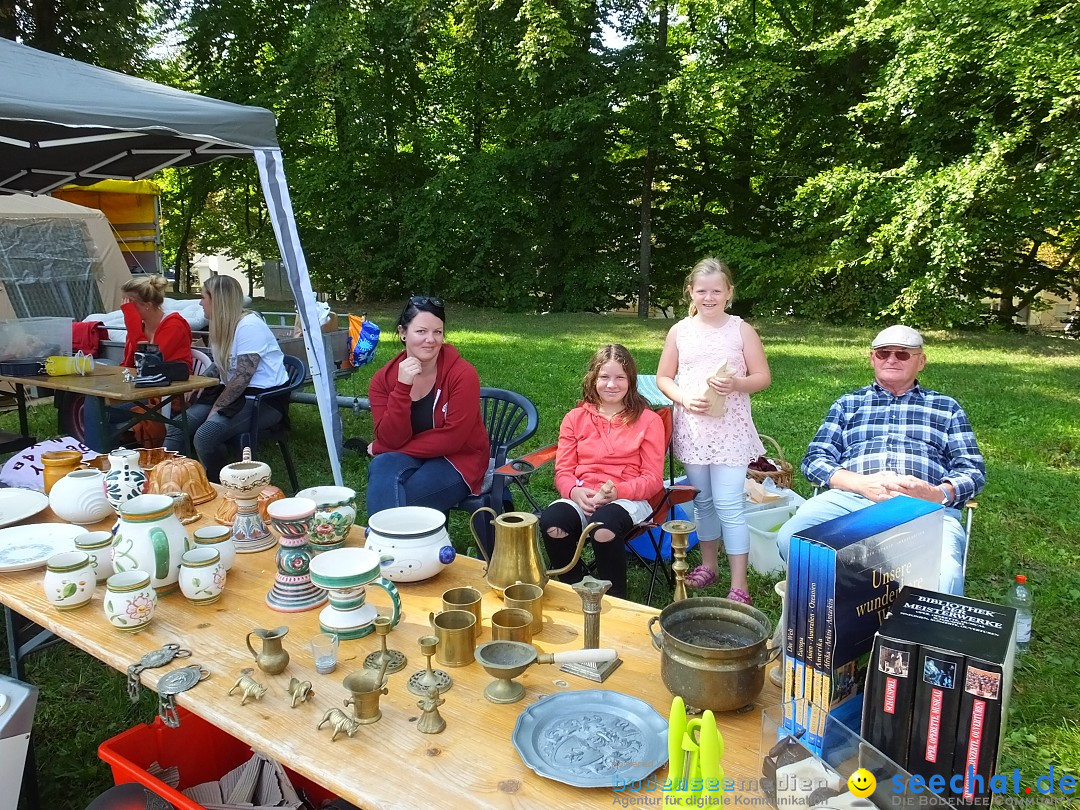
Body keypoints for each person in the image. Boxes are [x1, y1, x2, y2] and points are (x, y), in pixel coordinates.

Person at [775, 325, 986, 596]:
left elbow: (973, 470)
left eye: (903, 354)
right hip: (849, 501)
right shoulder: (848, 404)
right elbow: (815, 460)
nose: (891, 359)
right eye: (884, 352)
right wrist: (859, 484)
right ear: (872, 358)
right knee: (791, 540)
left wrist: (937, 493)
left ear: (921, 361)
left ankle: (918, 635)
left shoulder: (947, 408)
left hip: (922, 508)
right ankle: (839, 610)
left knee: (945, 577)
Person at [655, 258, 771, 604]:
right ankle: (709, 565)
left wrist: (736, 382)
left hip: (730, 430)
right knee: (702, 501)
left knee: (729, 503)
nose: (709, 297)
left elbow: (762, 376)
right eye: (702, 291)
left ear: (729, 293)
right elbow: (664, 377)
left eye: (716, 291)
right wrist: (683, 397)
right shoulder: (680, 331)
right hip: (693, 428)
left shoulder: (740, 330)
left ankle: (740, 585)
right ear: (690, 291)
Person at [540, 344, 665, 599]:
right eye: (604, 377)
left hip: (629, 497)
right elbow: (563, 470)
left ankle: (615, 598)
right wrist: (574, 492)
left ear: (630, 380)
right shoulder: (574, 418)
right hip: (584, 493)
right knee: (553, 523)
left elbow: (653, 479)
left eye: (620, 377)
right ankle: (572, 589)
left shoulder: (648, 420)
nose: (612, 384)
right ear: (593, 379)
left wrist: (618, 490)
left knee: (603, 528)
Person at [365, 296, 489, 517]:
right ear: (403, 333)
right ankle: (392, 545)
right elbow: (391, 438)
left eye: (437, 332)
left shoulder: (462, 374)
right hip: (413, 455)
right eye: (421, 331)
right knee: (381, 467)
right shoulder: (383, 380)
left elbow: (453, 439)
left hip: (459, 458)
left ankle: (385, 546)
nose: (430, 340)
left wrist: (385, 448)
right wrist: (402, 387)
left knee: (404, 500)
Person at [164, 275, 288, 481]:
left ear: (218, 300)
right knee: (177, 427)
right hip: (233, 394)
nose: (200, 302)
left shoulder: (249, 326)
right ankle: (169, 481)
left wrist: (217, 408)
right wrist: (202, 382)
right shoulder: (221, 327)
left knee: (205, 436)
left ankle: (221, 486)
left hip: (262, 400)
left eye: (204, 297)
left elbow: (242, 376)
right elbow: (221, 363)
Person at [119, 275, 194, 371]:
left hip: (174, 382)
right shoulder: (140, 327)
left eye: (129, 303)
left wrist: (132, 323)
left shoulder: (174, 325)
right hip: (146, 381)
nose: (125, 308)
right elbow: (128, 365)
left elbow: (150, 361)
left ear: (147, 305)